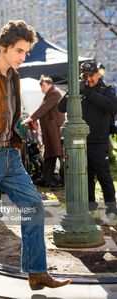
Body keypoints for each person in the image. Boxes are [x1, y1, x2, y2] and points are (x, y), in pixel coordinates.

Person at [0, 20, 71, 296]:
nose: (23, 56)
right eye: (19, 50)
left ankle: (36, 271)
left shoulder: (13, 76)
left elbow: (8, 114)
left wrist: (18, 134)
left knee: (33, 205)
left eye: (26, 52)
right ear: (4, 47)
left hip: (10, 155)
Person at [58, 60, 117, 225]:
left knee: (104, 178)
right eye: (85, 76)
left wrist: (90, 93)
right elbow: (61, 107)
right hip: (81, 143)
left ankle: (112, 213)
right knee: (87, 179)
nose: (88, 79)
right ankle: (92, 211)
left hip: (99, 142)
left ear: (98, 74)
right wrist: (73, 90)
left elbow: (112, 106)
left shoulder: (106, 89)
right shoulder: (79, 89)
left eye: (91, 76)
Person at [22, 75, 65, 190]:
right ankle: (47, 179)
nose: (42, 89)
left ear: (49, 84)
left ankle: (63, 180)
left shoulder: (54, 94)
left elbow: (44, 108)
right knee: (51, 155)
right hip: (52, 131)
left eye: (43, 86)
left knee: (59, 154)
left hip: (55, 130)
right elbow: (42, 108)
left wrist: (31, 118)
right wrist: (31, 116)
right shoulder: (50, 94)